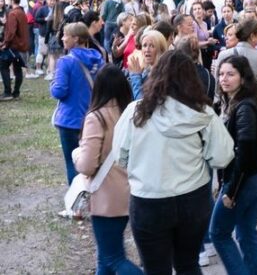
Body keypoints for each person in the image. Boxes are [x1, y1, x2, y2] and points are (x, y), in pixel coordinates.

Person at [113, 49, 235, 275]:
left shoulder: (135, 112)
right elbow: (223, 156)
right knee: (188, 264)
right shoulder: (203, 114)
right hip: (193, 198)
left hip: (148, 199)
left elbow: (119, 155)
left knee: (155, 268)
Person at [72, 65, 142, 275]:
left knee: (113, 258)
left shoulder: (97, 117)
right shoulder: (133, 114)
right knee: (105, 257)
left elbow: (87, 165)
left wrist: (76, 156)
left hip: (106, 196)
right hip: (131, 190)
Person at [210, 55, 257, 275]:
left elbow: (244, 152)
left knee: (218, 233)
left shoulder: (244, 106)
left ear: (243, 77)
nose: (224, 79)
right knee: (246, 232)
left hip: (244, 179)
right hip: (255, 176)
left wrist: (232, 191)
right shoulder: (243, 101)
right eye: (221, 74)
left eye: (230, 74)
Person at [52, 22, 106, 184]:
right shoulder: (99, 60)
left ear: (75, 39)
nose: (62, 38)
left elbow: (59, 91)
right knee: (92, 161)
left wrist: (53, 85)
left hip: (70, 119)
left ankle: (76, 205)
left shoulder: (66, 62)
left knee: (72, 162)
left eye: (65, 35)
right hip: (93, 116)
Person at [0, 0, 30, 101]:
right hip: (21, 45)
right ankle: (16, 93)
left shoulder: (13, 14)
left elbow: (11, 32)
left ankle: (8, 92)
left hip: (13, 46)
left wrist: (4, 44)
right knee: (17, 70)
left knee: (3, 66)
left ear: (12, 0)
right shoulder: (21, 12)